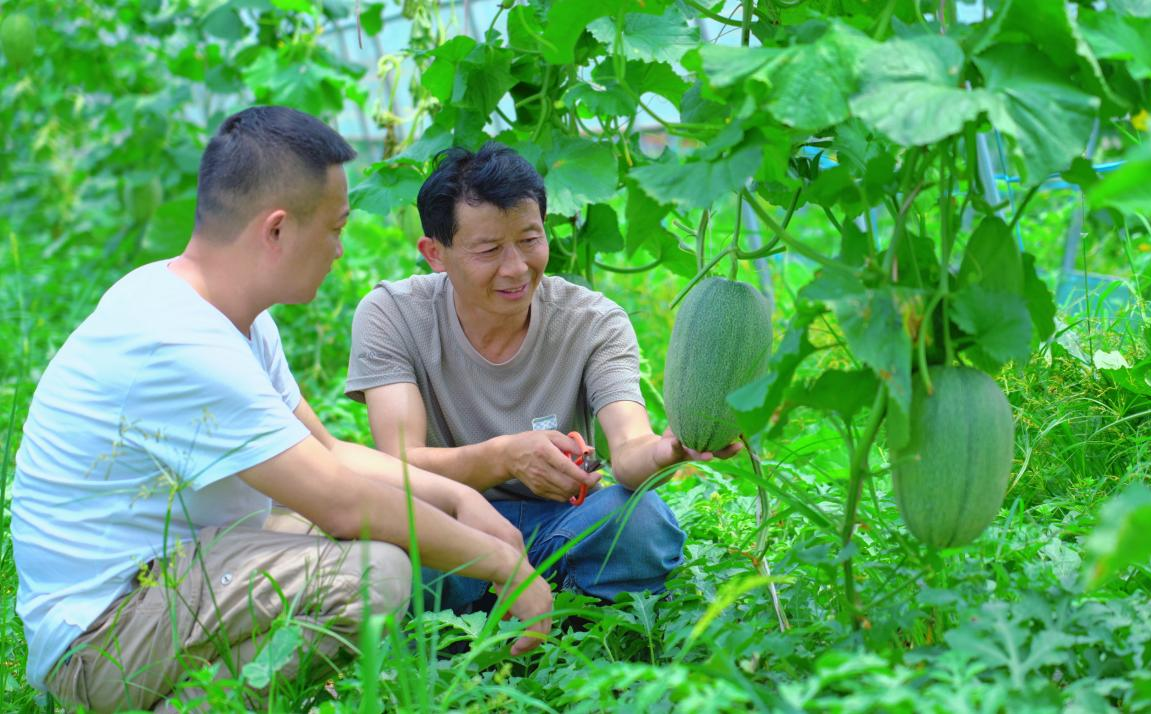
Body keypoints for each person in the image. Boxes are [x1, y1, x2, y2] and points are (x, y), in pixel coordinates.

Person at [11, 107, 552, 713]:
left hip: (172, 578)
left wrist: (458, 498)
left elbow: (328, 456)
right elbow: (341, 501)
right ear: (275, 231)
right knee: (374, 573)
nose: (341, 252)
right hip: (102, 637)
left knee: (364, 535)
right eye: (335, 228)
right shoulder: (176, 338)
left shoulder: (226, 314)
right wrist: (506, 566)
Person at [345, 142, 739, 614]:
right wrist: (505, 457)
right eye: (488, 249)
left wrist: (669, 450)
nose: (516, 268)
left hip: (563, 521)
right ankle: (542, 602)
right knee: (391, 548)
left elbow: (630, 450)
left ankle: (538, 607)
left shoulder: (594, 322)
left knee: (639, 524)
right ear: (435, 253)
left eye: (530, 241)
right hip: (451, 523)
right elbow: (399, 464)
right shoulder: (392, 315)